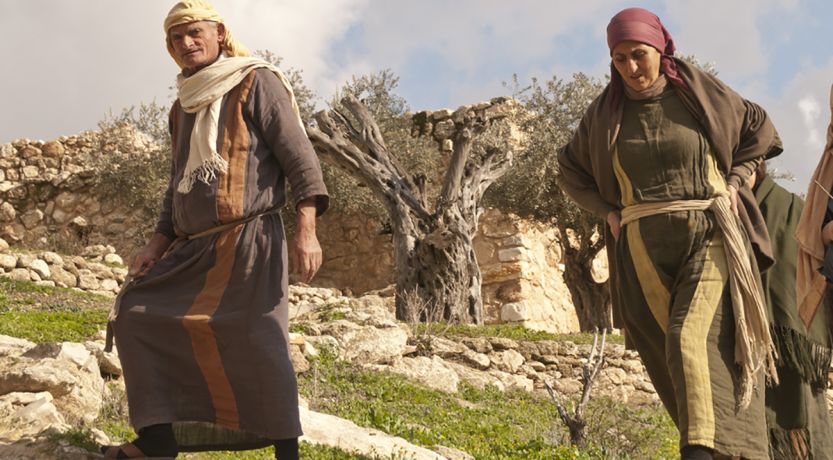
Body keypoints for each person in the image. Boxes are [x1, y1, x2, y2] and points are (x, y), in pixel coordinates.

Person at [101, 1, 328, 458]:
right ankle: (158, 443)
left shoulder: (257, 81)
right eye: (175, 38)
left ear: (219, 33)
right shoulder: (181, 107)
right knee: (136, 316)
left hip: (250, 243)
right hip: (193, 251)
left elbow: (300, 159)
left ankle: (288, 453)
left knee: (262, 340)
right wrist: (154, 244)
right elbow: (176, 188)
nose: (186, 43)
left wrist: (307, 230)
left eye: (194, 32)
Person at [558, 7, 782, 460]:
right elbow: (569, 169)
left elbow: (758, 128)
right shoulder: (604, 115)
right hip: (642, 250)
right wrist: (607, 211)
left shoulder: (701, 93)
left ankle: (700, 453)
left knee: (690, 337)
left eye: (639, 55)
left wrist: (736, 181)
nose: (631, 68)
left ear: (660, 49)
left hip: (711, 232)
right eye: (619, 59)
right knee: (674, 359)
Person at [750, 160, 833, 459]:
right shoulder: (726, 211)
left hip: (796, 352)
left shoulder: (796, 213)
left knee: (804, 435)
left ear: (758, 163)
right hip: (742, 356)